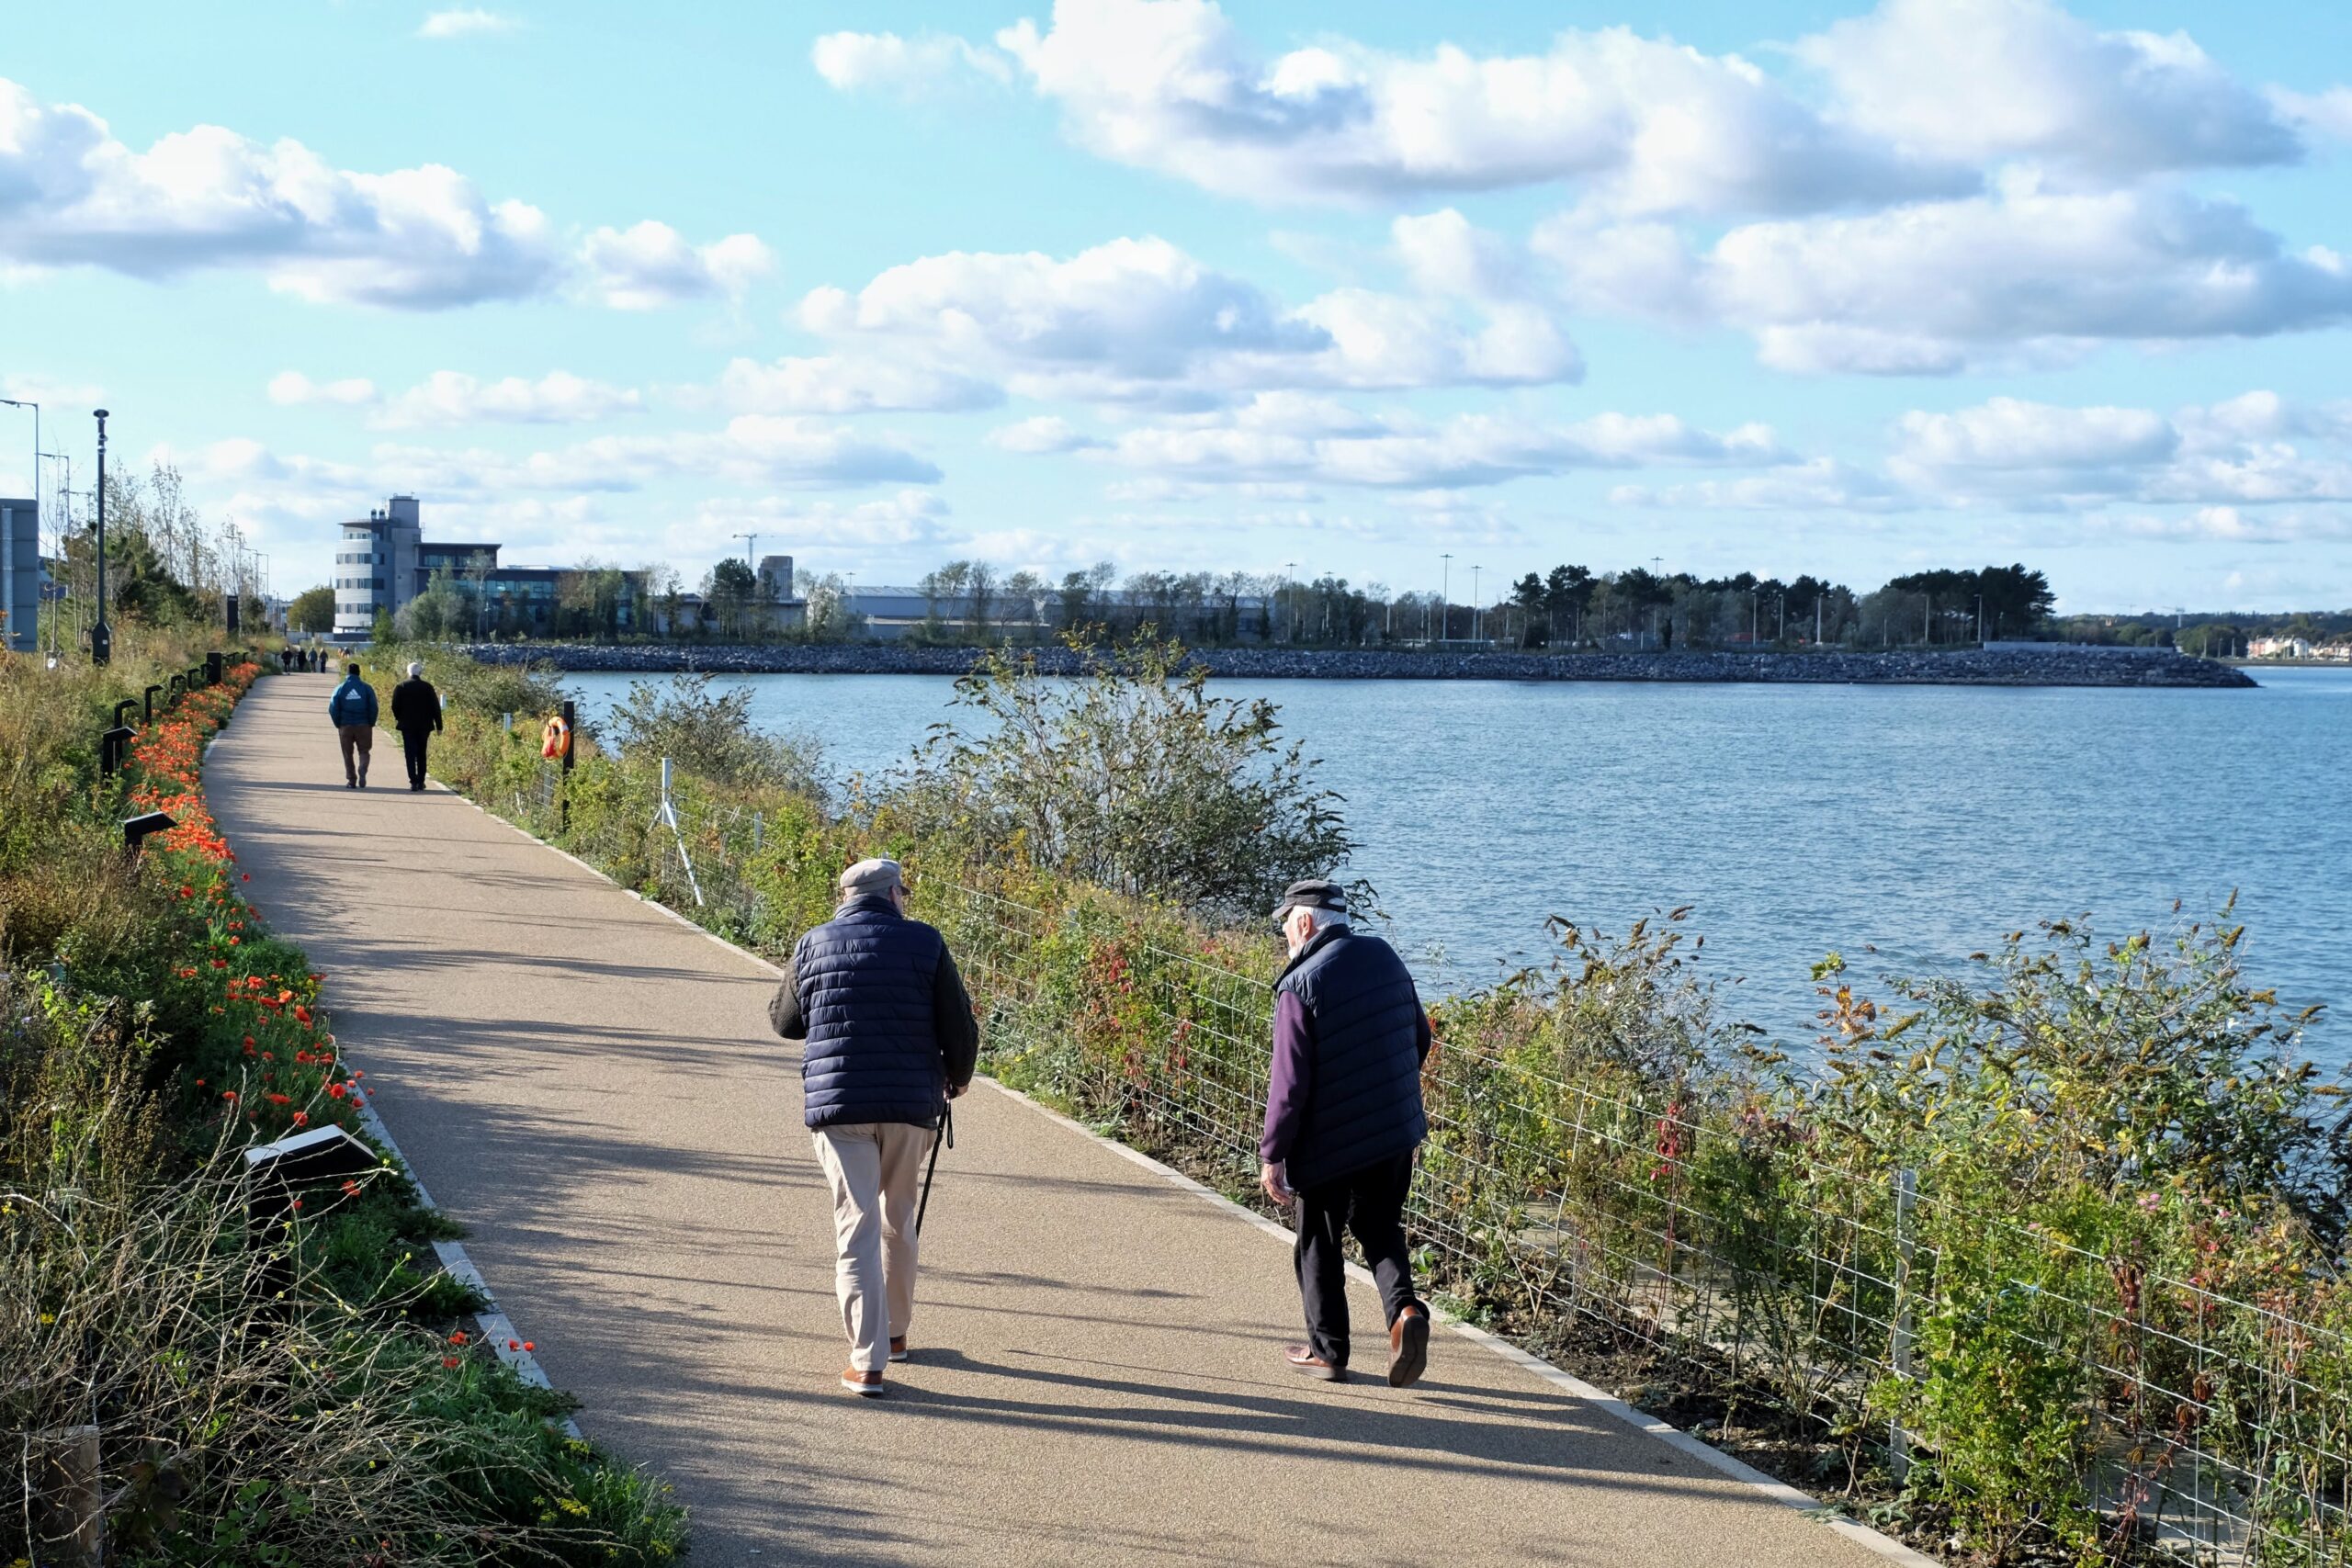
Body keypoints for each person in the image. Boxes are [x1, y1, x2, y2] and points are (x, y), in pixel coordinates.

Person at [769, 858, 978, 1396]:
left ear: (844, 898)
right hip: (911, 1104)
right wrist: (957, 1078)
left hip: (841, 1108)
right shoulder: (926, 943)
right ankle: (898, 1334)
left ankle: (867, 1362)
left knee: (854, 1226)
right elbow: (960, 1026)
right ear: (891, 895)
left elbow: (785, 1022)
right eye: (903, 892)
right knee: (899, 1217)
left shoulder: (813, 942)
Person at [1259, 878, 1434, 1388]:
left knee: (1318, 1239)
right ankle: (1404, 1313)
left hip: (1327, 1142)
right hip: (1394, 1131)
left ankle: (1328, 1351)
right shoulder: (1385, 958)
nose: (1286, 938)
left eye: (1287, 925)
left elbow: (1288, 1086)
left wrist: (1274, 1155)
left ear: (1306, 922)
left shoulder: (1300, 983)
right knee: (1379, 1226)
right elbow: (1419, 1037)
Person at [389, 660, 444, 793]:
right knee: (421, 753)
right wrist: (439, 726)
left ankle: (413, 781)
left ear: (408, 672)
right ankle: (421, 781)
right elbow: (436, 707)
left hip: (407, 725)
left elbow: (395, 706)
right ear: (420, 672)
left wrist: (399, 718)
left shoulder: (401, 686)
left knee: (409, 753)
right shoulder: (428, 687)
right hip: (424, 726)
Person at [328, 662, 379, 789]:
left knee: (347, 753)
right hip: (364, 724)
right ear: (359, 673)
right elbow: (374, 707)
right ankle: (363, 768)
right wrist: (371, 722)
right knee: (364, 751)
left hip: (346, 725)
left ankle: (351, 780)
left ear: (348, 673)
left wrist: (338, 723)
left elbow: (333, 707)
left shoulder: (340, 688)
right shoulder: (367, 688)